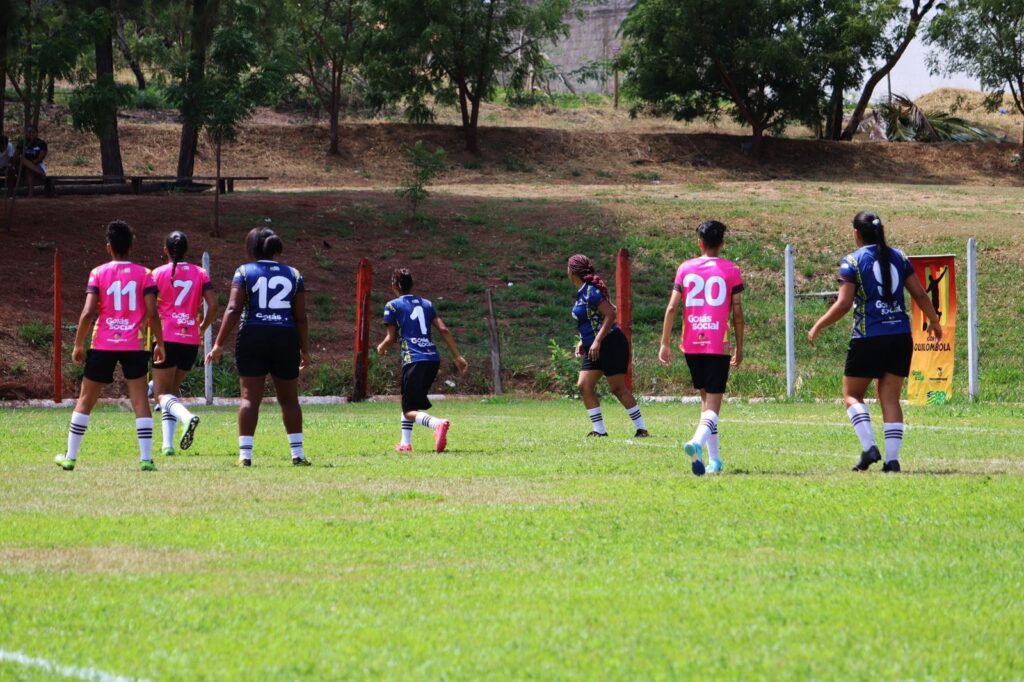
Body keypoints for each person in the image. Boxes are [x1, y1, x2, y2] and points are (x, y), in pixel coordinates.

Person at [808, 211, 942, 473]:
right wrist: (934, 321)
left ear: (857, 234)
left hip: (869, 337)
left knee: (852, 395)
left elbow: (844, 303)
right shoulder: (900, 257)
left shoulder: (852, 261)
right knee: (890, 398)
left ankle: (869, 446)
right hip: (900, 336)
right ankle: (892, 461)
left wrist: (818, 324)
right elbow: (919, 294)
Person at [55, 220, 166, 471]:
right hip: (134, 344)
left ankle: (71, 457)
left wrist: (78, 344)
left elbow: (87, 313)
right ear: (131, 245)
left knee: (86, 400)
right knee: (140, 401)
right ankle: (146, 459)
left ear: (108, 247)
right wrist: (160, 343)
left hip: (103, 342)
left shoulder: (98, 272)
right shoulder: (145, 274)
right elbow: (152, 312)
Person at [207, 227, 311, 467]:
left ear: (252, 247)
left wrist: (218, 343)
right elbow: (301, 317)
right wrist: (304, 349)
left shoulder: (244, 271)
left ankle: (245, 456)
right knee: (289, 400)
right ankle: (297, 454)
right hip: (285, 336)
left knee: (249, 399)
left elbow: (233, 309)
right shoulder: (294, 274)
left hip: (253, 335)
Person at [659, 221, 744, 476]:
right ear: (722, 244)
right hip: (718, 343)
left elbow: (672, 307)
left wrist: (664, 342)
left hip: (691, 344)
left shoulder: (685, 268)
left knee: (706, 402)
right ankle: (696, 442)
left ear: (700, 242)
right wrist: (740, 346)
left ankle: (715, 460)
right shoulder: (731, 269)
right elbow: (737, 312)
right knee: (714, 408)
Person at [376, 268, 468, 453]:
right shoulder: (427, 304)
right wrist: (457, 356)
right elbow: (444, 330)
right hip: (432, 359)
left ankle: (437, 424)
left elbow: (391, 338)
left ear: (393, 285)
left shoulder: (392, 306)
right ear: (412, 284)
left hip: (414, 359)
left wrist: (381, 348)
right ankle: (405, 443)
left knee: (409, 409)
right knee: (409, 403)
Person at [151, 231, 218, 456]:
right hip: (190, 338)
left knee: (161, 394)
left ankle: (186, 417)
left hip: (166, 337)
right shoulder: (200, 272)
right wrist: (201, 327)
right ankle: (167, 445)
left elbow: (149, 307)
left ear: (165, 250)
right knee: (170, 393)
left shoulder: (157, 273)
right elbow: (213, 305)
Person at [567, 254, 648, 439]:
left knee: (617, 388)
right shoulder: (582, 292)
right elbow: (590, 320)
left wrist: (596, 341)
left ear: (572, 272)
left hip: (610, 343)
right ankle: (599, 431)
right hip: (594, 346)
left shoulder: (591, 292)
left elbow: (611, 314)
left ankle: (642, 429)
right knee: (584, 385)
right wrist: (583, 340)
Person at [12, 125, 47, 196]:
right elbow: (15, 156)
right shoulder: (22, 143)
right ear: (26, 133)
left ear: (37, 133)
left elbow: (40, 158)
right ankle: (41, 173)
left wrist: (30, 164)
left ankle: (30, 194)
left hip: (36, 165)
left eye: (33, 132)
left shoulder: (41, 143)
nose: (31, 134)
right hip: (22, 166)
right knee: (21, 159)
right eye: (29, 132)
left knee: (29, 171)